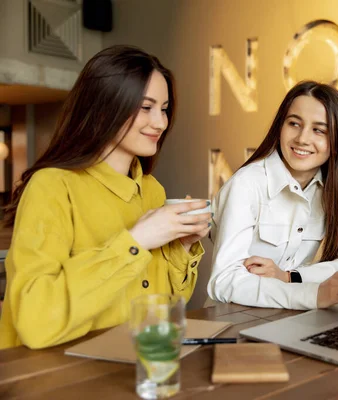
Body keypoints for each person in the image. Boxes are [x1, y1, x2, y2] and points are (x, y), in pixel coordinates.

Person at [0, 45, 211, 349]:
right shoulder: (51, 186)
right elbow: (35, 322)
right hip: (57, 375)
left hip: (131, 363)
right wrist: (136, 242)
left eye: (164, 109)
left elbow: (165, 303)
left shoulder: (152, 190)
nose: (161, 123)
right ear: (104, 107)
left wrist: (182, 244)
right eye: (145, 107)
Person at [208, 81, 338, 310]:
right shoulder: (247, 184)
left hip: (291, 317)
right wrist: (311, 294)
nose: (302, 139)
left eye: (319, 130)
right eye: (294, 124)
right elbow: (224, 281)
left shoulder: (336, 189)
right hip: (235, 318)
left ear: (336, 141)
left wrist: (291, 277)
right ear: (280, 127)